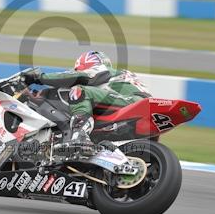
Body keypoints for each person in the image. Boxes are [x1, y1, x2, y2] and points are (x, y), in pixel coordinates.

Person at [22, 51, 151, 153]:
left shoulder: (100, 70)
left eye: (77, 69)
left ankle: (79, 136)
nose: (75, 72)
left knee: (79, 91)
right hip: (137, 108)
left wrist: (38, 78)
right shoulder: (115, 78)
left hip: (132, 102)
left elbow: (78, 77)